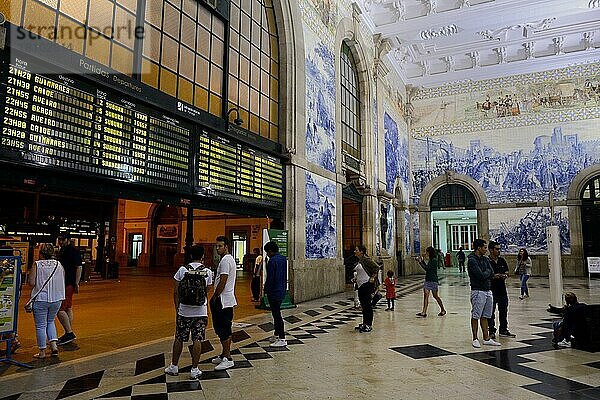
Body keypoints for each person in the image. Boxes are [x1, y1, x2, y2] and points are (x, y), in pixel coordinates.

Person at [164, 245, 213, 379]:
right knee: (197, 339)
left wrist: (177, 308)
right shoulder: (207, 272)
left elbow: (176, 292)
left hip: (183, 311)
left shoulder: (182, 270)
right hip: (200, 312)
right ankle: (194, 369)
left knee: (179, 338)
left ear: (190, 256)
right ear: (202, 256)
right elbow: (208, 290)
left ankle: (174, 366)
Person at [28, 243, 65, 358]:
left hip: (41, 299)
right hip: (57, 299)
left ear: (40, 253)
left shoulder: (37, 264)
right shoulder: (58, 264)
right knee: (50, 321)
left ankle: (42, 352)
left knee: (40, 325)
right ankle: (54, 346)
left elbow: (32, 283)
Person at [210, 236, 237, 371]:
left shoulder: (226, 261)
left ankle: (228, 358)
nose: (218, 248)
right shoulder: (228, 259)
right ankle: (224, 354)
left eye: (220, 246)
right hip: (226, 299)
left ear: (226, 246)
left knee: (224, 329)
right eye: (217, 246)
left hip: (223, 300)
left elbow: (223, 280)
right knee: (223, 328)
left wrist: (215, 296)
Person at [467, 239, 501, 348]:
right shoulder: (472, 260)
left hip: (487, 290)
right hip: (478, 290)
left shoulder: (485, 259)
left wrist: (486, 273)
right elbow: (480, 275)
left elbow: (491, 272)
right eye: (485, 248)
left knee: (485, 315)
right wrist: (487, 273)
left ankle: (486, 338)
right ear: (479, 248)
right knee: (476, 315)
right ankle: (475, 338)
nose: (486, 250)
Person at [56, 235, 82, 346]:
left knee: (59, 309)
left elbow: (79, 266)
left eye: (62, 240)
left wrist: (76, 282)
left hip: (67, 283)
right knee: (67, 308)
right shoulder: (63, 250)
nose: (60, 242)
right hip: (65, 283)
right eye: (59, 240)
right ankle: (68, 331)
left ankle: (69, 332)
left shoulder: (72, 251)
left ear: (67, 240)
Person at [488, 240, 516, 339]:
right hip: (491, 290)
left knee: (503, 311)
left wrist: (505, 275)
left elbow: (507, 271)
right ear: (491, 250)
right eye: (496, 249)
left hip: (502, 290)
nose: (498, 251)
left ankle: (503, 329)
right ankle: (491, 330)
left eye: (499, 249)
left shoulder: (502, 261)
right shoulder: (487, 262)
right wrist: (494, 276)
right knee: (491, 313)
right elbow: (487, 274)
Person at [263, 241, 288, 347]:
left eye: (267, 252)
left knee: (277, 315)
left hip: (274, 291)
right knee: (276, 313)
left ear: (270, 251)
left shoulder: (272, 261)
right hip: (281, 289)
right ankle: (276, 334)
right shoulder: (283, 259)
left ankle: (282, 338)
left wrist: (266, 289)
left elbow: (270, 278)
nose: (267, 254)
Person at [353, 245, 379, 333]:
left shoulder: (366, 259)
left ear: (361, 252)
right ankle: (364, 323)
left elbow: (376, 267)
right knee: (364, 306)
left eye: (356, 250)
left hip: (366, 285)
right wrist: (356, 279)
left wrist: (373, 277)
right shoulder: (360, 260)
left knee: (367, 305)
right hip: (360, 285)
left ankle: (369, 325)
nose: (354, 251)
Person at [416, 247, 446, 317]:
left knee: (435, 296)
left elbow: (427, 269)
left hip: (433, 280)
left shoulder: (434, 260)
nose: (426, 253)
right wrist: (422, 261)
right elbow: (427, 266)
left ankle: (443, 309)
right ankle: (424, 312)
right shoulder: (431, 260)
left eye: (427, 252)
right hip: (428, 280)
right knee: (426, 296)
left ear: (430, 252)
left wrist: (420, 262)